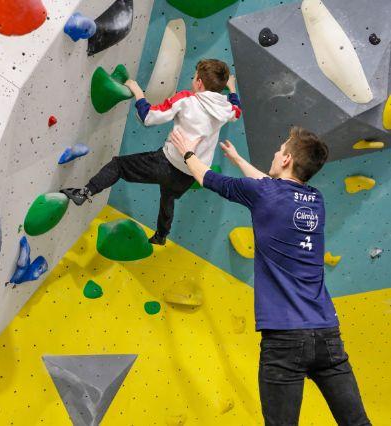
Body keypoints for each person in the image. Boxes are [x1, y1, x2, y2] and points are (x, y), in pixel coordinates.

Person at [168, 127, 371, 425]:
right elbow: (268, 184)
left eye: (279, 150)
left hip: (285, 340)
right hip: (328, 336)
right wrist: (238, 159)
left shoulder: (263, 193)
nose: (275, 154)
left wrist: (186, 151)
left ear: (287, 158)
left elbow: (207, 177)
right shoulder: (315, 200)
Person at [61, 59, 242, 245]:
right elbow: (237, 113)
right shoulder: (225, 107)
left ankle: (85, 192)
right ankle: (161, 236)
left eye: (194, 75)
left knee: (119, 166)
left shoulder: (187, 99)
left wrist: (137, 91)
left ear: (199, 82)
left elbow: (148, 117)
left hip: (167, 163)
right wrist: (232, 88)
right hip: (192, 174)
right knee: (168, 196)